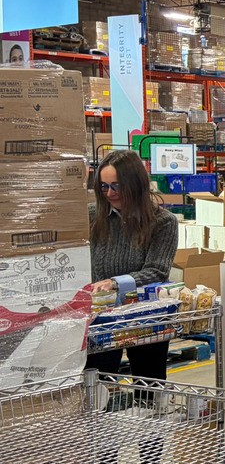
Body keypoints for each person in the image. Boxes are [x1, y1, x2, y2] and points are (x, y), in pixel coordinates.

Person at [86, 149, 180, 378]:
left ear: (135, 184)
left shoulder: (163, 222)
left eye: (116, 186)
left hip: (147, 315)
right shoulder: (91, 218)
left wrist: (115, 283)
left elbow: (157, 271)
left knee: (149, 385)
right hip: (101, 318)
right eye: (104, 186)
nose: (109, 193)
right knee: (98, 385)